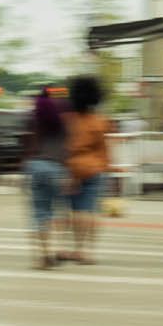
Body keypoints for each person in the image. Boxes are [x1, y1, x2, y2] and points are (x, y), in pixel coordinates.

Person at [61, 74, 112, 265]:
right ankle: (87, 251)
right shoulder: (100, 121)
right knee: (89, 210)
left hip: (72, 167)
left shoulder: (68, 120)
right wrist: (105, 167)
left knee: (72, 211)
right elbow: (105, 149)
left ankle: (73, 247)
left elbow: (66, 147)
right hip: (95, 168)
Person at [23, 86, 68, 269]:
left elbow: (26, 146)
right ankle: (58, 249)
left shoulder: (33, 122)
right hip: (56, 167)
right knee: (59, 210)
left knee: (39, 213)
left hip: (36, 166)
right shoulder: (62, 125)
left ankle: (43, 255)